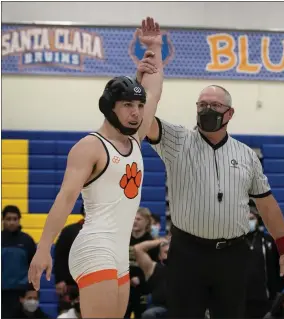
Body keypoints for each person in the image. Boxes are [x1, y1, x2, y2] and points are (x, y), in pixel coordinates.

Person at [28, 16, 164, 318]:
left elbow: (153, 92)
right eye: (127, 105)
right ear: (109, 108)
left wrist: (154, 47)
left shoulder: (137, 139)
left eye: (139, 107)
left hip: (118, 252)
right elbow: (64, 199)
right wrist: (42, 248)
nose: (136, 112)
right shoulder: (90, 147)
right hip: (94, 247)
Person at [138, 60, 284, 317]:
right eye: (202, 105)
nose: (207, 110)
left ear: (230, 113)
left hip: (232, 256)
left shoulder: (246, 155)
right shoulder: (177, 140)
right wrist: (146, 80)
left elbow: (266, 204)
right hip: (187, 253)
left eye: (215, 105)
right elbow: (144, 119)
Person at [245, 202, 284, 318]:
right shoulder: (233, 242)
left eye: (252, 218)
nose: (249, 221)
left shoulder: (268, 241)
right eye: (245, 218)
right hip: (238, 299)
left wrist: (276, 291)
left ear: (258, 220)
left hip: (263, 299)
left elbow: (281, 267)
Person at [2, 205, 37, 318]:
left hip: (22, 292)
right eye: (8, 219)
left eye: (14, 219)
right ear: (3, 220)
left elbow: (34, 267)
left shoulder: (27, 241)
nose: (11, 222)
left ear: (19, 220)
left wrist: (32, 289)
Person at [126, 208, 159, 318]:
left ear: (147, 222)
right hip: (124, 287)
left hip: (143, 289)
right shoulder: (124, 239)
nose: (135, 221)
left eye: (139, 219)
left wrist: (140, 278)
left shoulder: (151, 242)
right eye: (133, 218)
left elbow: (155, 268)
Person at [54, 203, 85, 313]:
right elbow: (60, 257)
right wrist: (59, 280)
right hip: (71, 284)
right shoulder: (69, 231)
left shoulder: (105, 232)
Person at [133, 238, 169, 319]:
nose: (170, 255)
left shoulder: (183, 268)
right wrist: (160, 240)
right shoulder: (153, 268)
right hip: (160, 309)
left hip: (181, 309)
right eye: (166, 252)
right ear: (159, 256)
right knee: (149, 314)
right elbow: (137, 248)